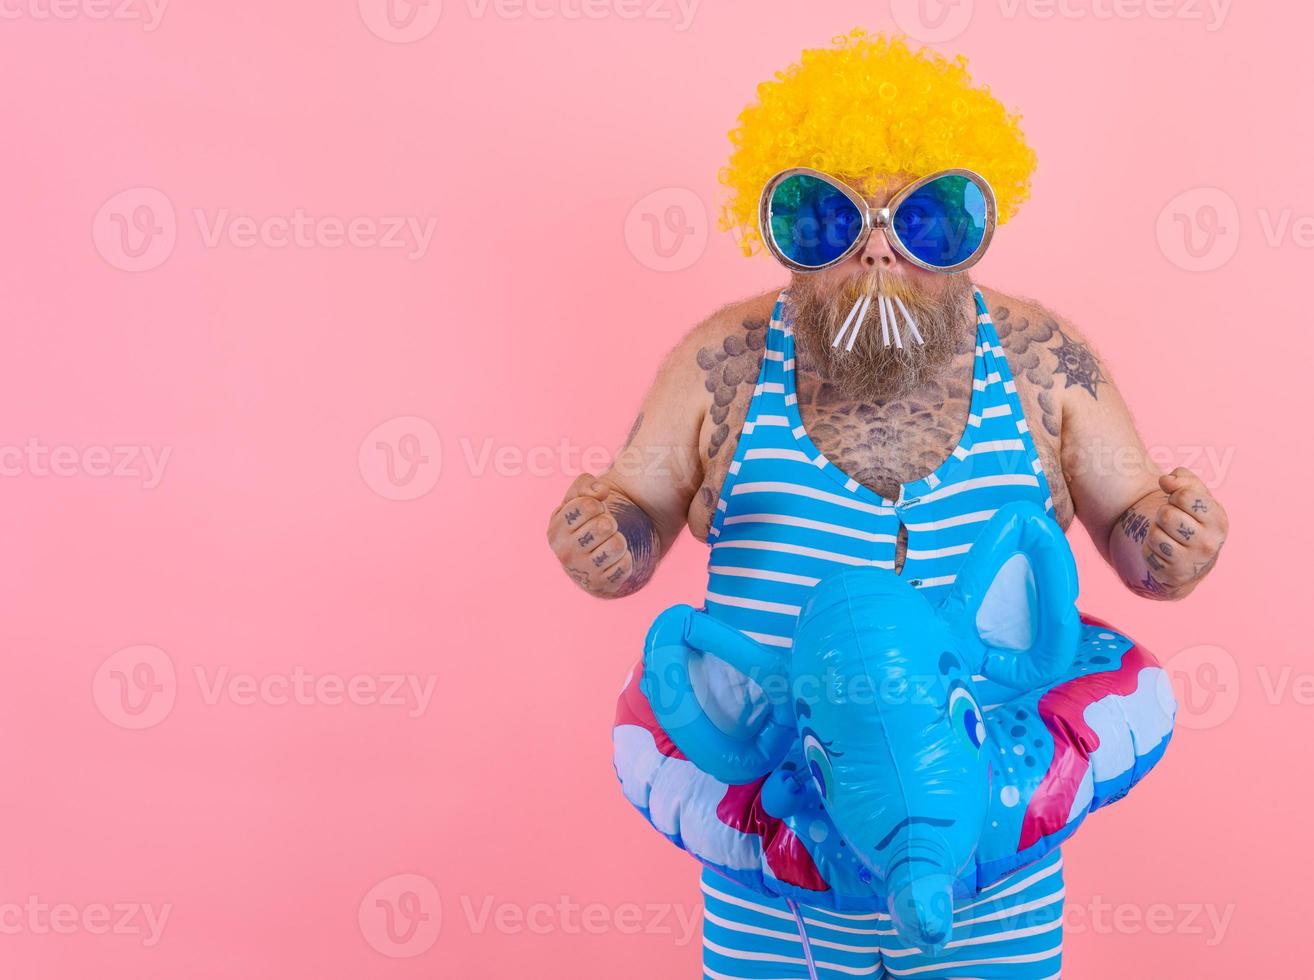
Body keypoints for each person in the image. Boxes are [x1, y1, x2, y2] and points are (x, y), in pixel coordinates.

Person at [547, 30, 1227, 979]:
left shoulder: (1043, 362)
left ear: (978, 228)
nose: (876, 251)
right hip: (775, 881)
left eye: (928, 220)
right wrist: (605, 535)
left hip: (995, 872)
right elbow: (635, 505)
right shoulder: (725, 363)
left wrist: (1177, 539)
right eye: (825, 219)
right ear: (776, 232)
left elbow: (1139, 534)